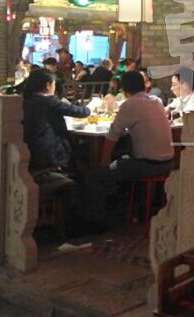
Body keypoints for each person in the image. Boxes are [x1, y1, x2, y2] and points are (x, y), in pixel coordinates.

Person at [78, 71, 173, 230]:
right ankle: (127, 208)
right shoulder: (156, 101)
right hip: (169, 163)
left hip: (146, 166)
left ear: (124, 90)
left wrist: (104, 164)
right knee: (122, 159)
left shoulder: (129, 105)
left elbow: (111, 137)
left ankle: (96, 222)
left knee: (93, 175)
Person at [22, 69, 90, 183]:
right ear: (48, 85)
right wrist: (89, 108)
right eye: (54, 84)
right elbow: (79, 112)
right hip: (48, 152)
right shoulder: (47, 101)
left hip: (30, 148)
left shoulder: (26, 100)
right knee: (82, 148)